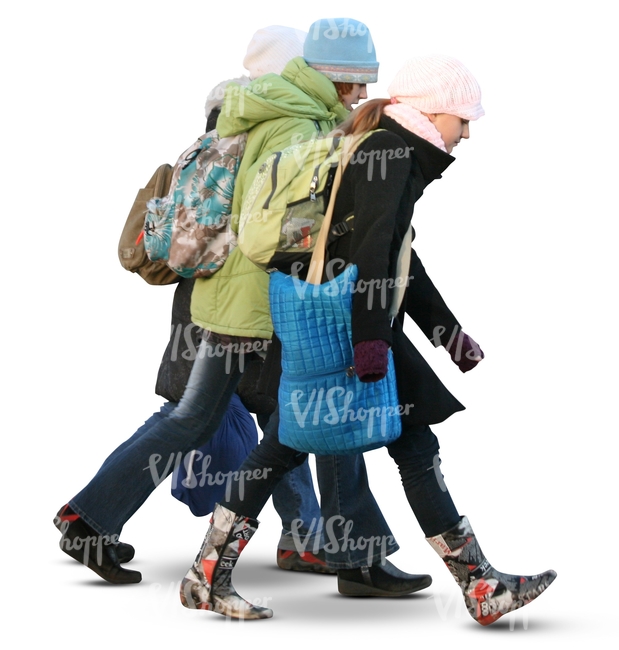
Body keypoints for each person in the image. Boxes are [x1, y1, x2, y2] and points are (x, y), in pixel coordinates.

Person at [179, 54, 557, 626]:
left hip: (338, 322)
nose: (468, 133)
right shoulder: (392, 152)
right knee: (363, 446)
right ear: (431, 112)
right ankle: (479, 585)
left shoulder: (383, 145)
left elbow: (399, 251)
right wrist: (371, 345)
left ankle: (208, 574)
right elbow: (374, 254)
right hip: (348, 326)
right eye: (463, 119)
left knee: (308, 443)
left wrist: (446, 333)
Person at [53, 26, 330, 585]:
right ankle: (303, 537)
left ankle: (88, 517)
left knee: (205, 416)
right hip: (249, 295)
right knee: (272, 415)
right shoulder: (273, 122)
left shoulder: (228, 116)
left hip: (205, 295)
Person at [184, 18, 433, 608]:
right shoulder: (297, 122)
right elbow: (288, 226)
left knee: (298, 430)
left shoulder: (300, 115)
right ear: (330, 75)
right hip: (286, 298)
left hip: (278, 293)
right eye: (353, 82)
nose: (360, 94)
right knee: (282, 432)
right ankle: (332, 555)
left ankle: (344, 554)